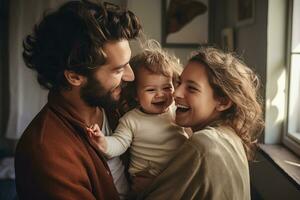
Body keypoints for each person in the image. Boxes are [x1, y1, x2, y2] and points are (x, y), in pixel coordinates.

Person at [14, 1, 142, 199]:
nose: (130, 76)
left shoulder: (121, 106)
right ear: (74, 77)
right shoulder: (46, 153)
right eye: (118, 69)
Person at [139, 47, 264, 200]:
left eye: (191, 88)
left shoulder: (203, 144)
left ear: (223, 102)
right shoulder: (231, 134)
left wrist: (145, 189)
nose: (176, 93)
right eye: (179, 82)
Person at [86, 42, 189, 196]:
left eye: (167, 87)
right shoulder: (131, 120)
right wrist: (103, 142)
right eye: (151, 90)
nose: (160, 94)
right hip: (144, 185)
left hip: (176, 179)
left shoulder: (177, 111)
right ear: (135, 94)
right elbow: (119, 143)